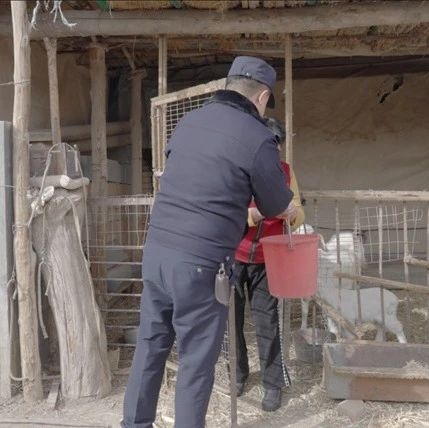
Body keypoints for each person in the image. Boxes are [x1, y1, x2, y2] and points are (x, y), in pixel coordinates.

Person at [122, 56, 296, 428]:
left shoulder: (189, 122)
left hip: (156, 253)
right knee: (196, 362)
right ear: (262, 96)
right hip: (200, 262)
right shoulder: (257, 136)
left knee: (150, 346)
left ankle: (134, 424)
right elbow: (277, 203)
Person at [234, 117, 305, 412]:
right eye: (268, 143)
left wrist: (290, 214)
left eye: (275, 145)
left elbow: (299, 213)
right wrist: (258, 213)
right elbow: (230, 212)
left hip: (268, 258)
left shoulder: (285, 172)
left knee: (267, 322)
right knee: (232, 321)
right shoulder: (239, 168)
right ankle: (238, 374)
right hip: (235, 254)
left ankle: (273, 384)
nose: (272, 150)